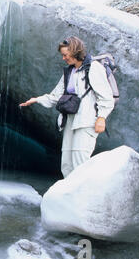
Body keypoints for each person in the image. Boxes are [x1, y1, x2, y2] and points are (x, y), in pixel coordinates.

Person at [19, 36, 115, 178]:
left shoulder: (93, 68)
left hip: (87, 121)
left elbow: (106, 97)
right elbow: (56, 95)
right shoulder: (70, 71)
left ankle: (84, 197)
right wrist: (36, 100)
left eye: (65, 55)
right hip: (70, 120)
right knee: (66, 163)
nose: (63, 58)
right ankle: (70, 197)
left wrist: (101, 118)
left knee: (80, 162)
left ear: (75, 51)